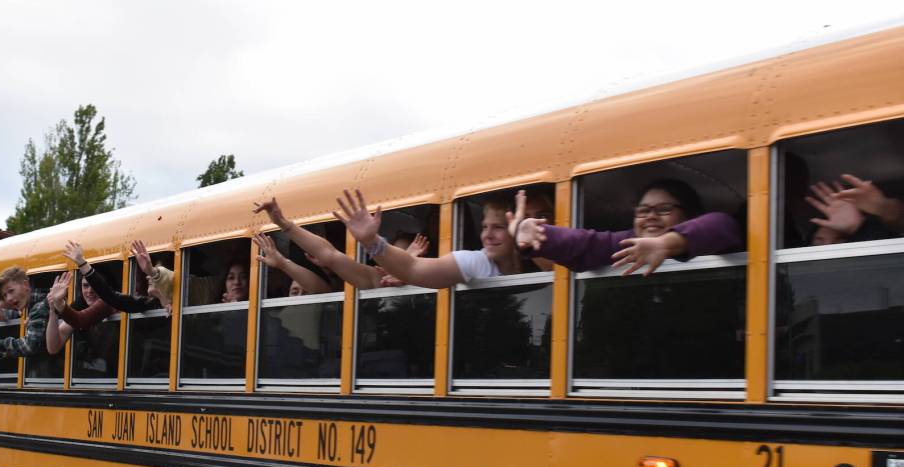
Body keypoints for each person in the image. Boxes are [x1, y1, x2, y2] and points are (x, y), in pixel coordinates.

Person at [510, 180, 744, 275]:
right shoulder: (632, 241)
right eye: (643, 211)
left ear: (689, 214)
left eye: (663, 209)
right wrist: (539, 235)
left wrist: (664, 244)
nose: (650, 217)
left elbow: (723, 226)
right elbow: (586, 244)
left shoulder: (706, 231)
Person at [333, 188, 521, 288]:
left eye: (498, 227)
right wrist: (371, 241)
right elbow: (411, 267)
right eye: (485, 227)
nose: (487, 235)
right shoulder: (478, 261)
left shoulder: (539, 258)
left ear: (516, 228)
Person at [254, 197, 429, 291]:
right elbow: (330, 255)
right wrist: (284, 224)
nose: (392, 266)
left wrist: (409, 272)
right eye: (388, 259)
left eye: (403, 260)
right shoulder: (376, 280)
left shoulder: (431, 279)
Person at [64, 240, 174, 314]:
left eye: (153, 274)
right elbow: (110, 296)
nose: (147, 277)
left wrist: (152, 271)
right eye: (147, 274)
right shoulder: (146, 304)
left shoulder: (179, 304)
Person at [44, 271, 117, 355]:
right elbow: (53, 347)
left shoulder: (110, 300)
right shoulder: (79, 305)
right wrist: (53, 309)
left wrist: (59, 303)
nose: (90, 290)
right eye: (85, 286)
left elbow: (80, 319)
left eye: (96, 285)